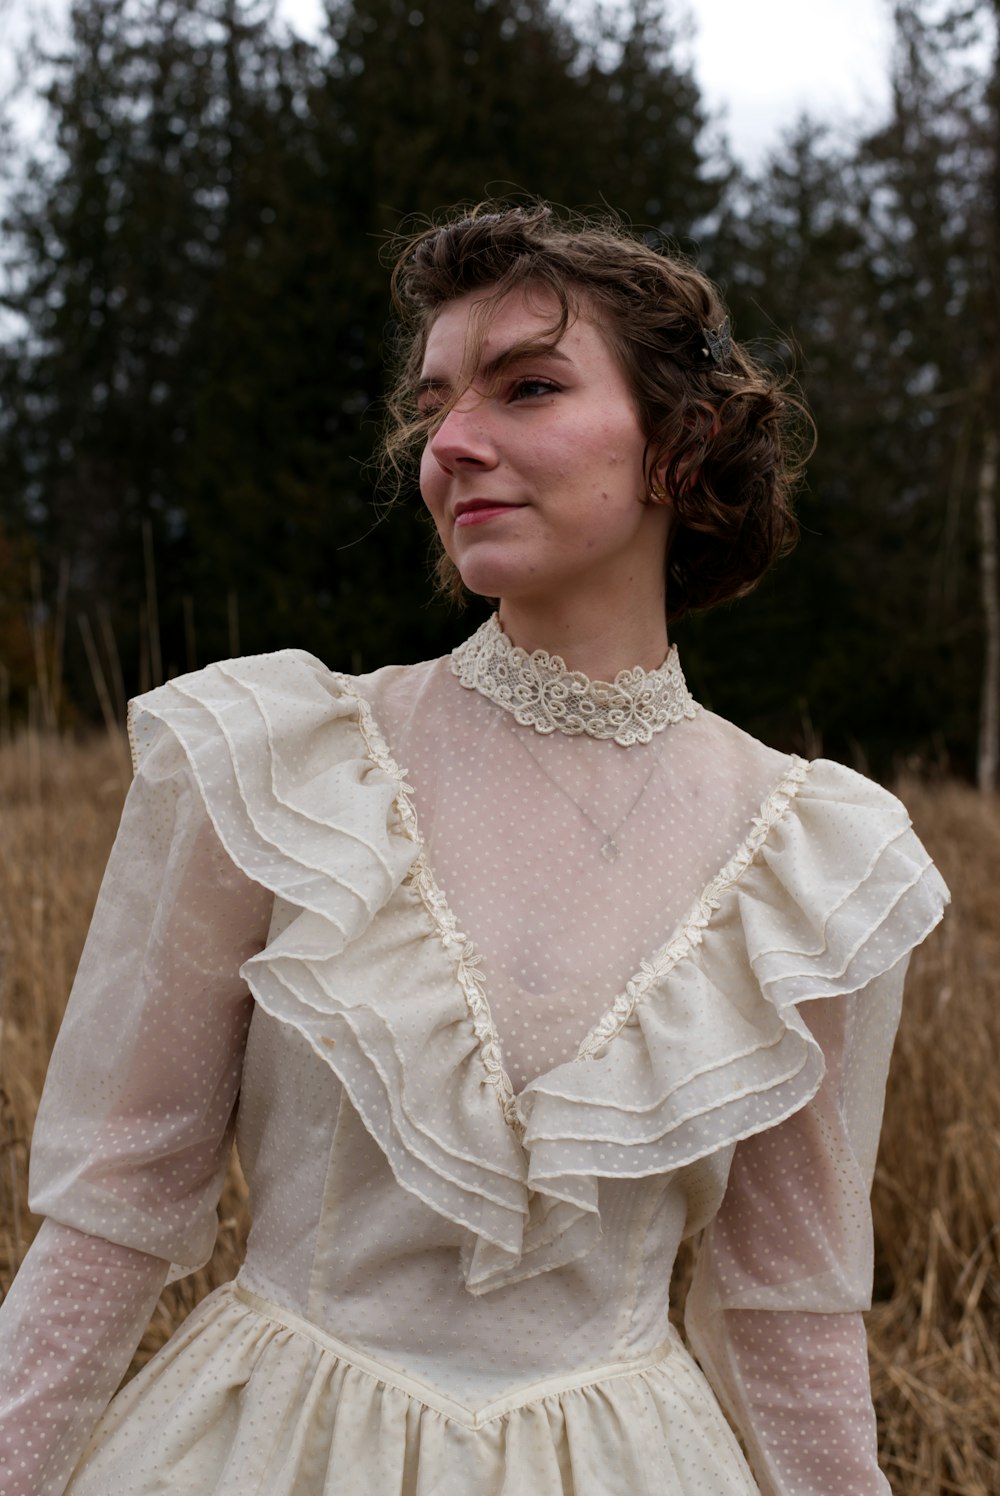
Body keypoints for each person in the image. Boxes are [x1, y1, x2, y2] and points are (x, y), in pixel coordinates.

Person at [0, 203, 949, 1496]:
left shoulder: (808, 857)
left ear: (681, 445)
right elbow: (110, 1222)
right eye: (435, 402)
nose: (451, 443)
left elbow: (790, 1314)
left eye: (529, 387)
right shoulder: (283, 768)